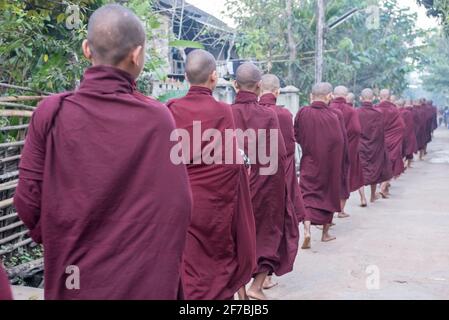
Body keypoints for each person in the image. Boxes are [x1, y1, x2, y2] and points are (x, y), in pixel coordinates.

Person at [14, 4, 192, 300]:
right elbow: (178, 206)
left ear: (86, 49)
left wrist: (65, 240)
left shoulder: (52, 113)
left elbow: (26, 201)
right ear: (136, 55)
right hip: (140, 281)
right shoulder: (157, 117)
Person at [167, 50, 256, 300]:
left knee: (187, 263)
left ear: (185, 77)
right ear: (214, 77)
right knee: (216, 262)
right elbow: (230, 162)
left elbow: (164, 161)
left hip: (182, 203)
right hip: (215, 203)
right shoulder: (223, 111)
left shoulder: (171, 109)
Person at [231, 63, 299, 300]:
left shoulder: (225, 113)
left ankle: (241, 292)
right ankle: (257, 286)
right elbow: (280, 155)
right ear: (259, 86)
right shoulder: (269, 115)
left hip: (234, 189)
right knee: (269, 232)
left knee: (234, 238)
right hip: (264, 186)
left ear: (234, 85)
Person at [259, 74, 305, 290]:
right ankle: (265, 276)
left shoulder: (236, 111)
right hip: (275, 177)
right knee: (271, 225)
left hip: (247, 177)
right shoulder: (284, 115)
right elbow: (287, 151)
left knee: (249, 225)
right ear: (277, 92)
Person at [294, 82, 345, 249]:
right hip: (330, 165)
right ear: (329, 96)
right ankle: (325, 234)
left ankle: (307, 230)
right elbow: (340, 141)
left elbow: (296, 134)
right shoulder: (335, 115)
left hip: (309, 161)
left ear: (311, 96)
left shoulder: (303, 112)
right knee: (328, 195)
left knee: (307, 196)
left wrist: (308, 147)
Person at [330, 86, 365, 211]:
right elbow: (356, 130)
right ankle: (341, 210)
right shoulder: (351, 111)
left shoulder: (328, 109)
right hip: (346, 150)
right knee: (344, 178)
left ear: (332, 95)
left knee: (330, 177)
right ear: (346, 96)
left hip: (329, 151)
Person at [357, 89, 392, 204]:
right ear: (373, 99)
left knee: (360, 170)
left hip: (360, 146)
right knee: (374, 169)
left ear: (360, 98)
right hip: (375, 146)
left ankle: (362, 198)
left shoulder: (356, 112)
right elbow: (381, 132)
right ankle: (372, 196)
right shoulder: (378, 114)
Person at [376, 89, 405, 197]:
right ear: (389, 97)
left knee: (381, 163)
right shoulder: (394, 110)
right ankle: (384, 187)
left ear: (379, 97)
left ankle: (383, 187)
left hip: (379, 141)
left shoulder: (376, 109)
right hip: (393, 140)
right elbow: (401, 126)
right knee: (391, 162)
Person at [400, 99, 418, 168]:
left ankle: (402, 163)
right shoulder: (411, 112)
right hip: (409, 132)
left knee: (402, 149)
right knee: (409, 149)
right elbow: (413, 123)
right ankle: (408, 164)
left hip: (401, 133)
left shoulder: (398, 111)